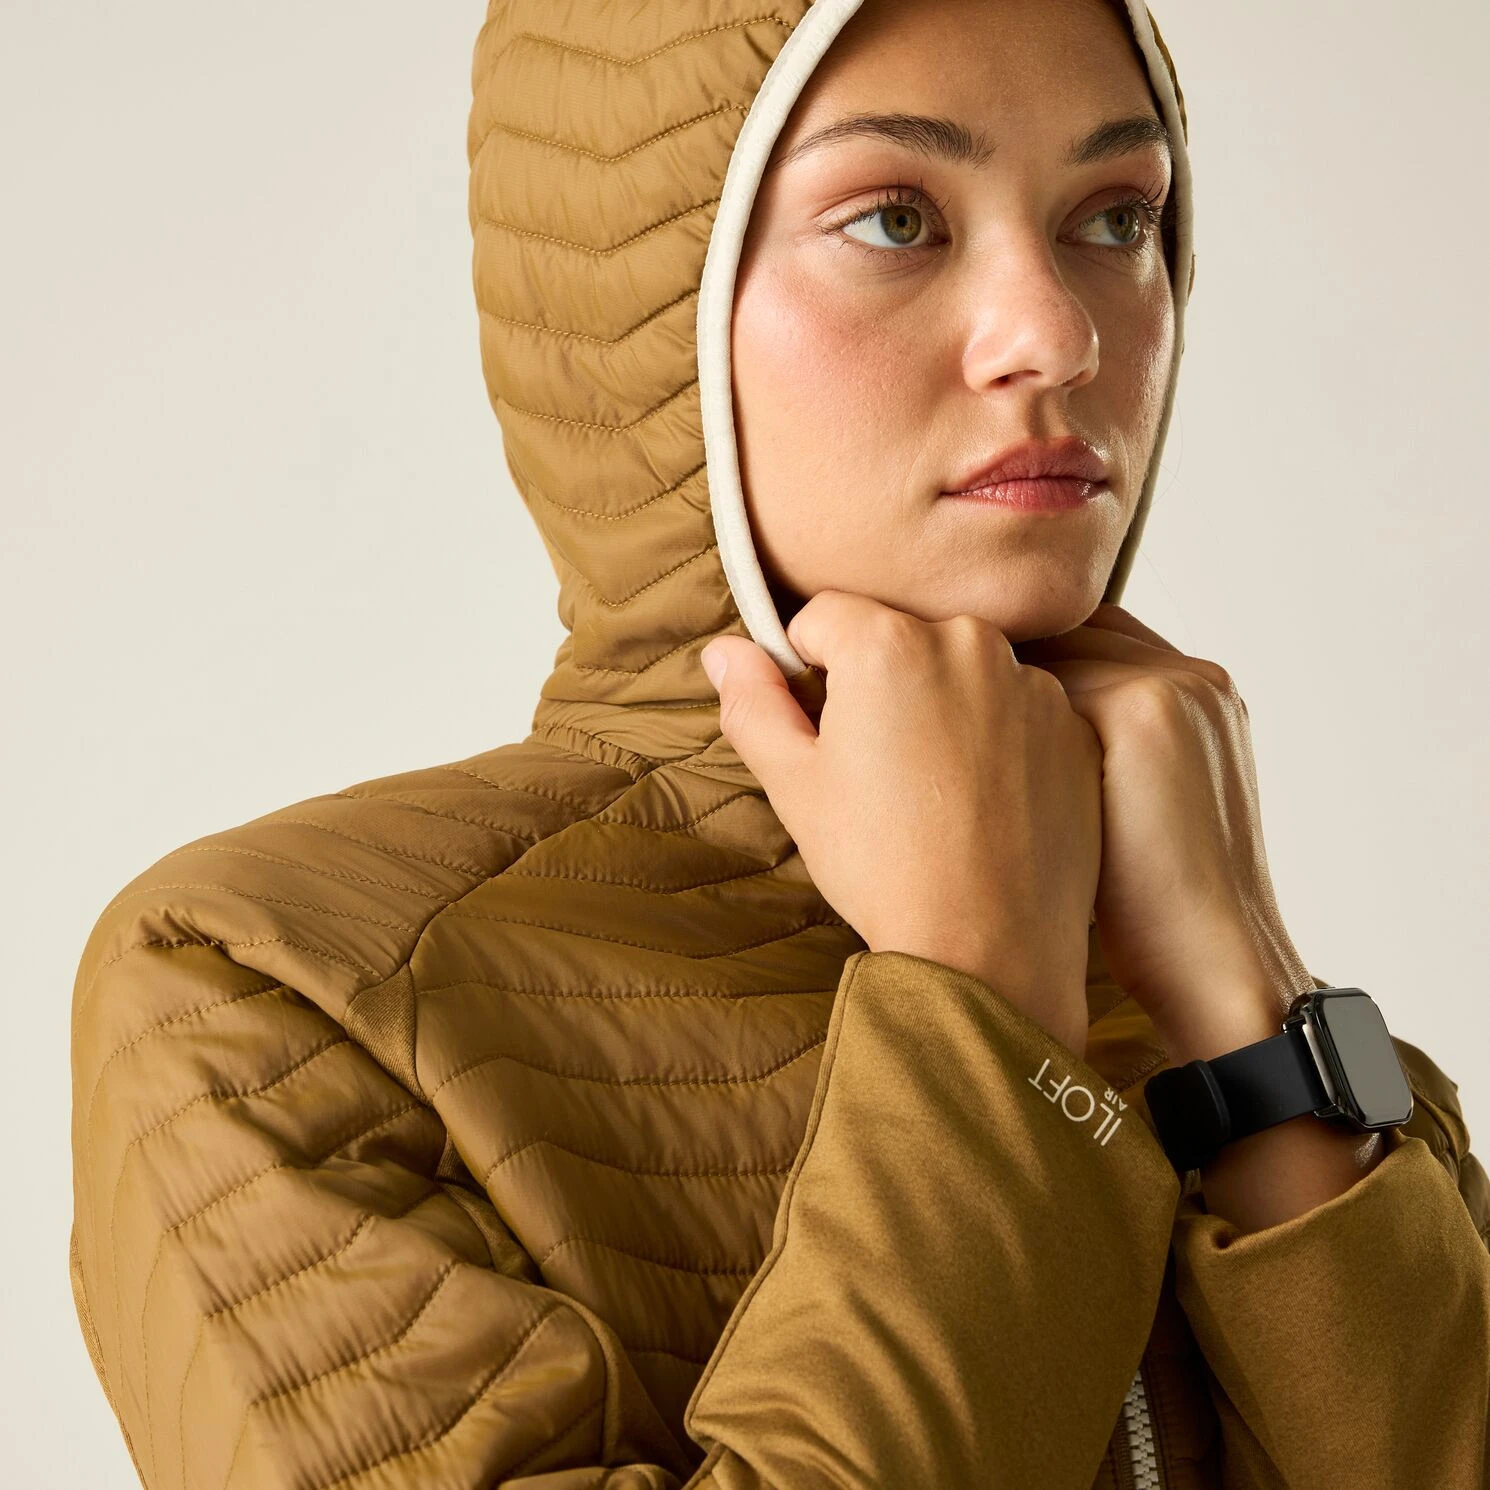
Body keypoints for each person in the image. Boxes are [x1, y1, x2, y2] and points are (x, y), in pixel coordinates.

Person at [67, 0, 1490, 1486]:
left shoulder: (1247, 1022)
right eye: (894, 220)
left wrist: (1253, 1016)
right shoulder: (265, 991)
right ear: (642, 318)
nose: (1059, 335)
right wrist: (977, 1008)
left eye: (1115, 217)